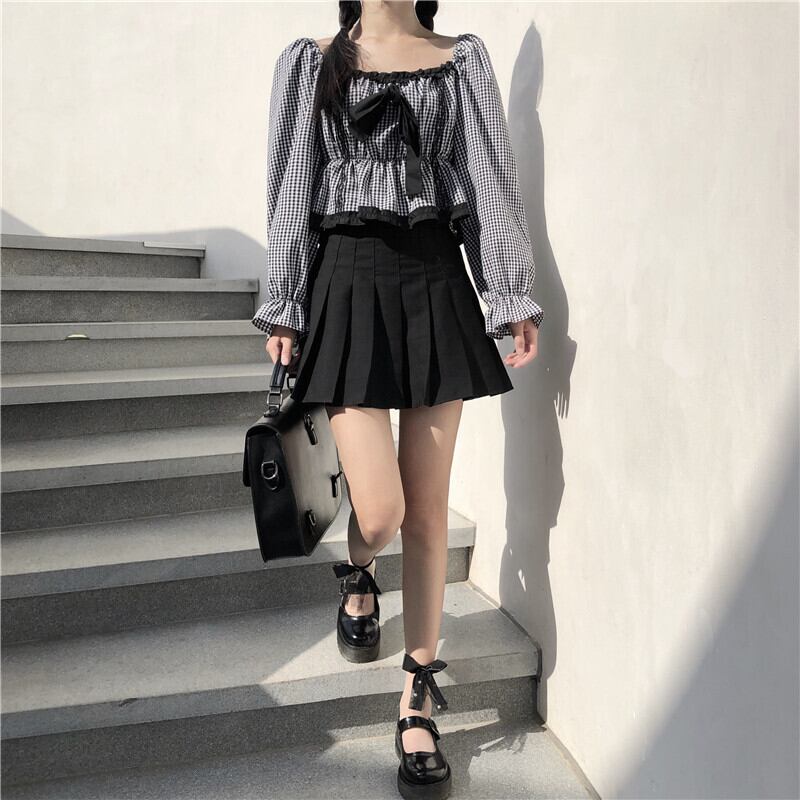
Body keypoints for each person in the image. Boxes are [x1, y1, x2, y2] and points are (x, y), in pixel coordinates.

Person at [252, 2, 543, 797]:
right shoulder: (311, 61)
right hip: (344, 282)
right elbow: (290, 188)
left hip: (436, 279)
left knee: (428, 512)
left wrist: (508, 293)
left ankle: (416, 694)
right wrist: (284, 303)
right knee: (378, 512)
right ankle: (357, 571)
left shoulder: (461, 59)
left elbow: (488, 180)